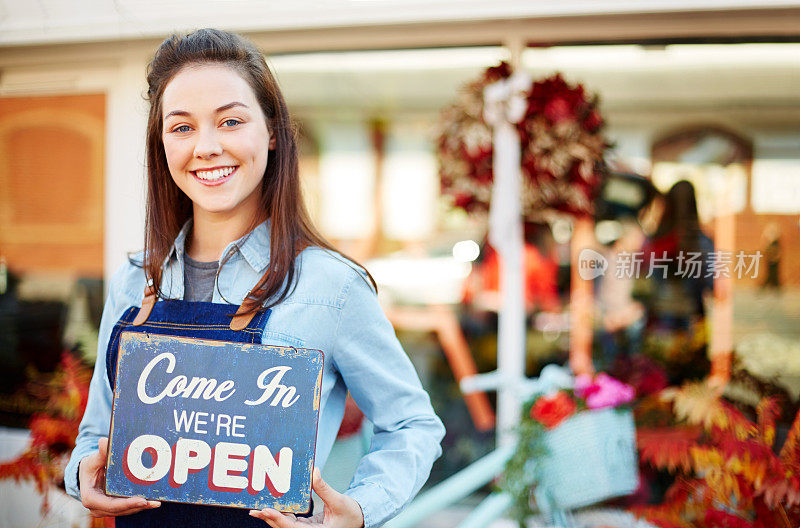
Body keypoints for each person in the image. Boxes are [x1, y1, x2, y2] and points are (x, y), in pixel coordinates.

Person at [64, 28, 445, 528]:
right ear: (161, 144)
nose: (206, 147)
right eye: (181, 127)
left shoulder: (331, 287)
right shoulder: (135, 280)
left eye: (231, 121)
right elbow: (96, 435)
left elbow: (413, 424)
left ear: (270, 130)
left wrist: (360, 509)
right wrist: (82, 476)